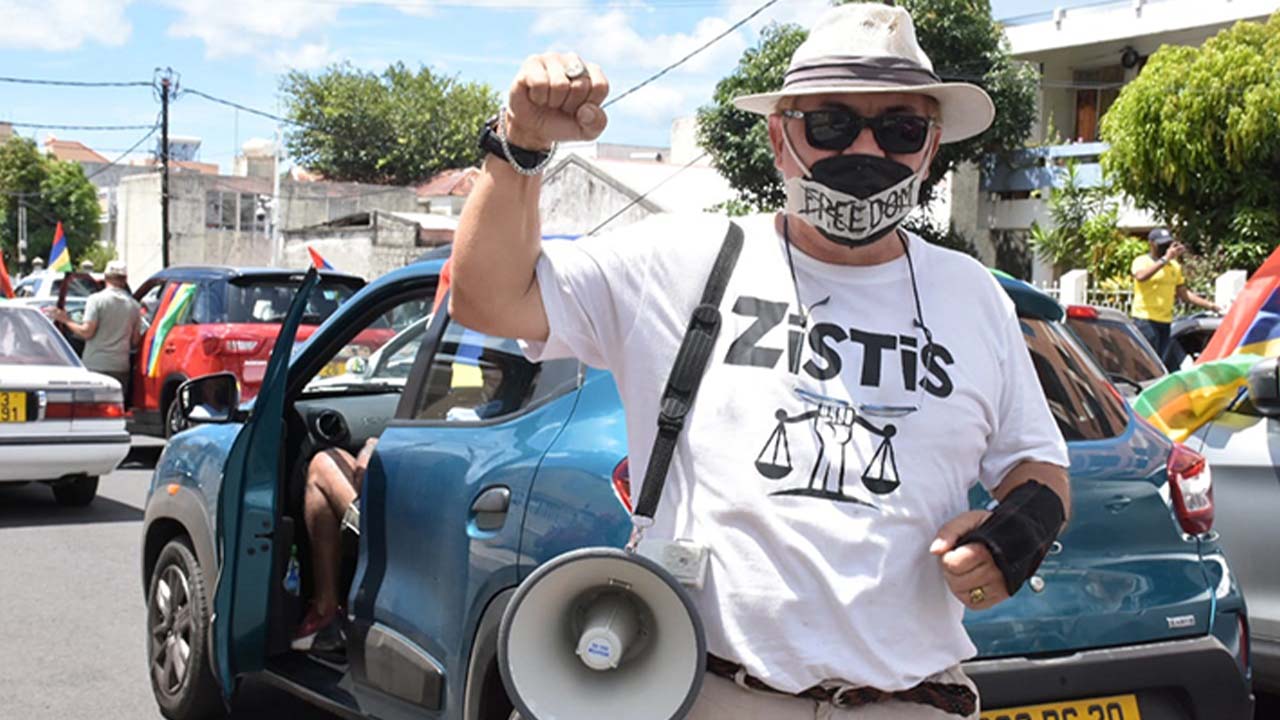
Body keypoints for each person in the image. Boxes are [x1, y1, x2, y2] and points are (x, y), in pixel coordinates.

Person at [451, 4, 1071, 718]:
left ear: (930, 148)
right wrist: (519, 145)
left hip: (912, 700)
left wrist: (1017, 533)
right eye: (831, 124)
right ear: (780, 138)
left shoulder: (974, 297)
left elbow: (1038, 467)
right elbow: (491, 301)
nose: (865, 150)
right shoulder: (681, 260)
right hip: (714, 692)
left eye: (900, 129)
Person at [291, 437, 376, 653]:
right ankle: (326, 612)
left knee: (323, 464)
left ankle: (325, 610)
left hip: (401, 535)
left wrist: (372, 449)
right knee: (337, 460)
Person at [1131, 227, 1221, 366]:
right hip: (1145, 319)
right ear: (1151, 244)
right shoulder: (1142, 261)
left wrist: (1210, 305)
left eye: (1168, 244)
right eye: (1161, 244)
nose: (1165, 247)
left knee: (1161, 362)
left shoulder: (1174, 266)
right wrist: (1165, 259)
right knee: (1147, 363)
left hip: (1165, 321)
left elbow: (1184, 294)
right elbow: (1141, 276)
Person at [53, 260, 141, 393]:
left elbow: (86, 332)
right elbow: (135, 341)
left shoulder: (96, 300)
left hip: (96, 366)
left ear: (105, 277)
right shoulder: (134, 306)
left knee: (92, 409)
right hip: (120, 367)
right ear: (125, 280)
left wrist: (66, 320)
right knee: (116, 408)